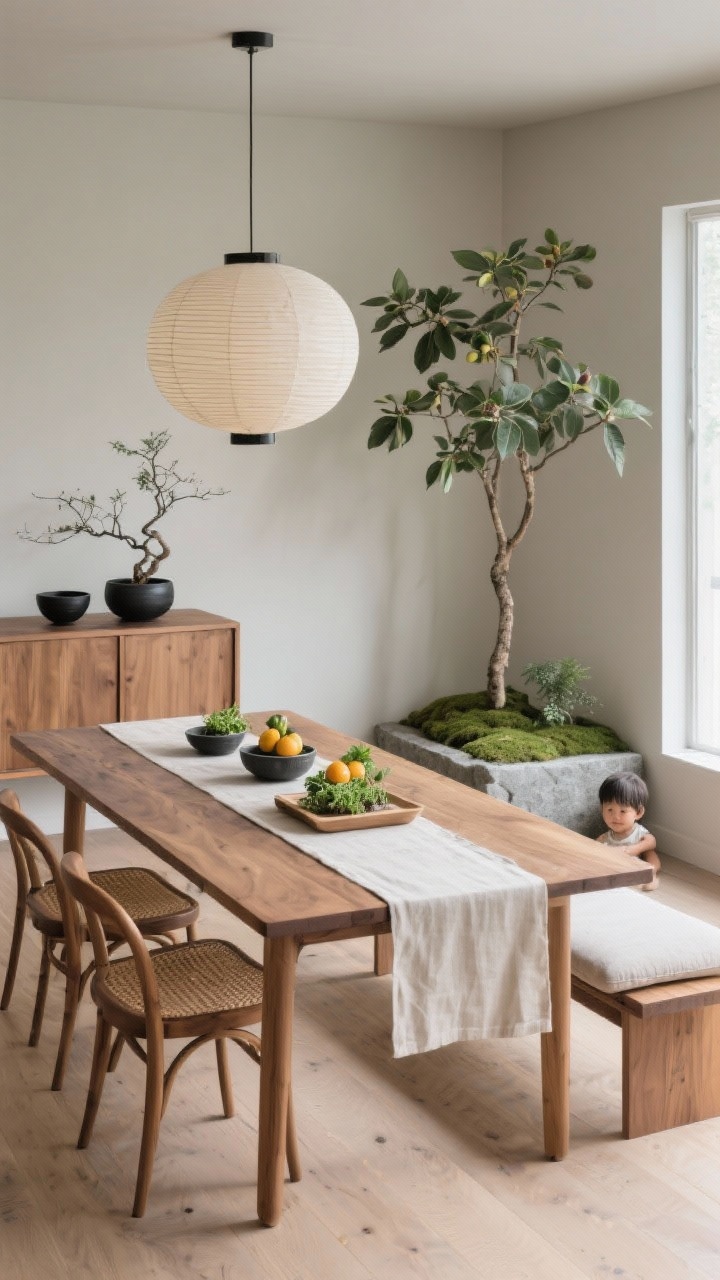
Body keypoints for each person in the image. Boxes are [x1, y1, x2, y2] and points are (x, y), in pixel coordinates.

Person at [596, 771, 661, 889]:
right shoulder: (605, 837)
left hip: (636, 867)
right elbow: (593, 850)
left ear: (638, 812)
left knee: (650, 853)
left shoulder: (638, 833)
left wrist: (631, 850)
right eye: (610, 810)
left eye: (623, 811)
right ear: (602, 809)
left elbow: (651, 842)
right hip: (615, 869)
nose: (615, 816)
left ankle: (651, 873)